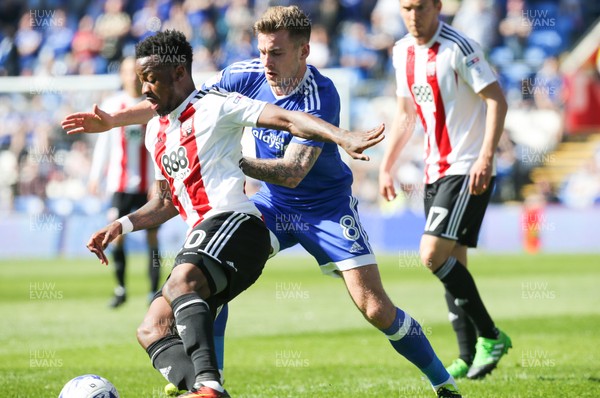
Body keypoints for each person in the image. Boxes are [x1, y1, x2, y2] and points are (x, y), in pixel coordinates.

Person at [62, 6, 461, 398]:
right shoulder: (242, 75)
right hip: (269, 205)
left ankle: (444, 383)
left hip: (324, 208)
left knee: (375, 309)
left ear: (304, 52)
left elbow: (293, 172)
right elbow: (182, 99)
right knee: (204, 283)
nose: (266, 62)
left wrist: (226, 159)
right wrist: (115, 121)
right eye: (262, 51)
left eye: (277, 52)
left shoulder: (320, 96)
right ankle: (207, 384)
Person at [379, 0, 512, 380]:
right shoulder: (401, 50)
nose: (413, 16)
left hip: (468, 167)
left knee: (431, 254)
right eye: (405, 8)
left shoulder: (460, 48)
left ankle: (490, 335)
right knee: (454, 261)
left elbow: (496, 100)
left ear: (438, 7)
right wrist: (387, 165)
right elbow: (405, 114)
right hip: (434, 171)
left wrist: (486, 156)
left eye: (420, 7)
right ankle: (470, 355)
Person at [88, 57, 160, 308]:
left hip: (148, 185)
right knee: (116, 237)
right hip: (119, 185)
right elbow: (104, 143)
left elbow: (158, 146)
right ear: (121, 75)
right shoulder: (112, 104)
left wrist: (158, 180)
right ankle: (121, 289)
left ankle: (153, 291)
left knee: (152, 237)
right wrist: (96, 175)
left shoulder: (151, 105)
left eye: (135, 72)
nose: (131, 76)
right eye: (127, 71)